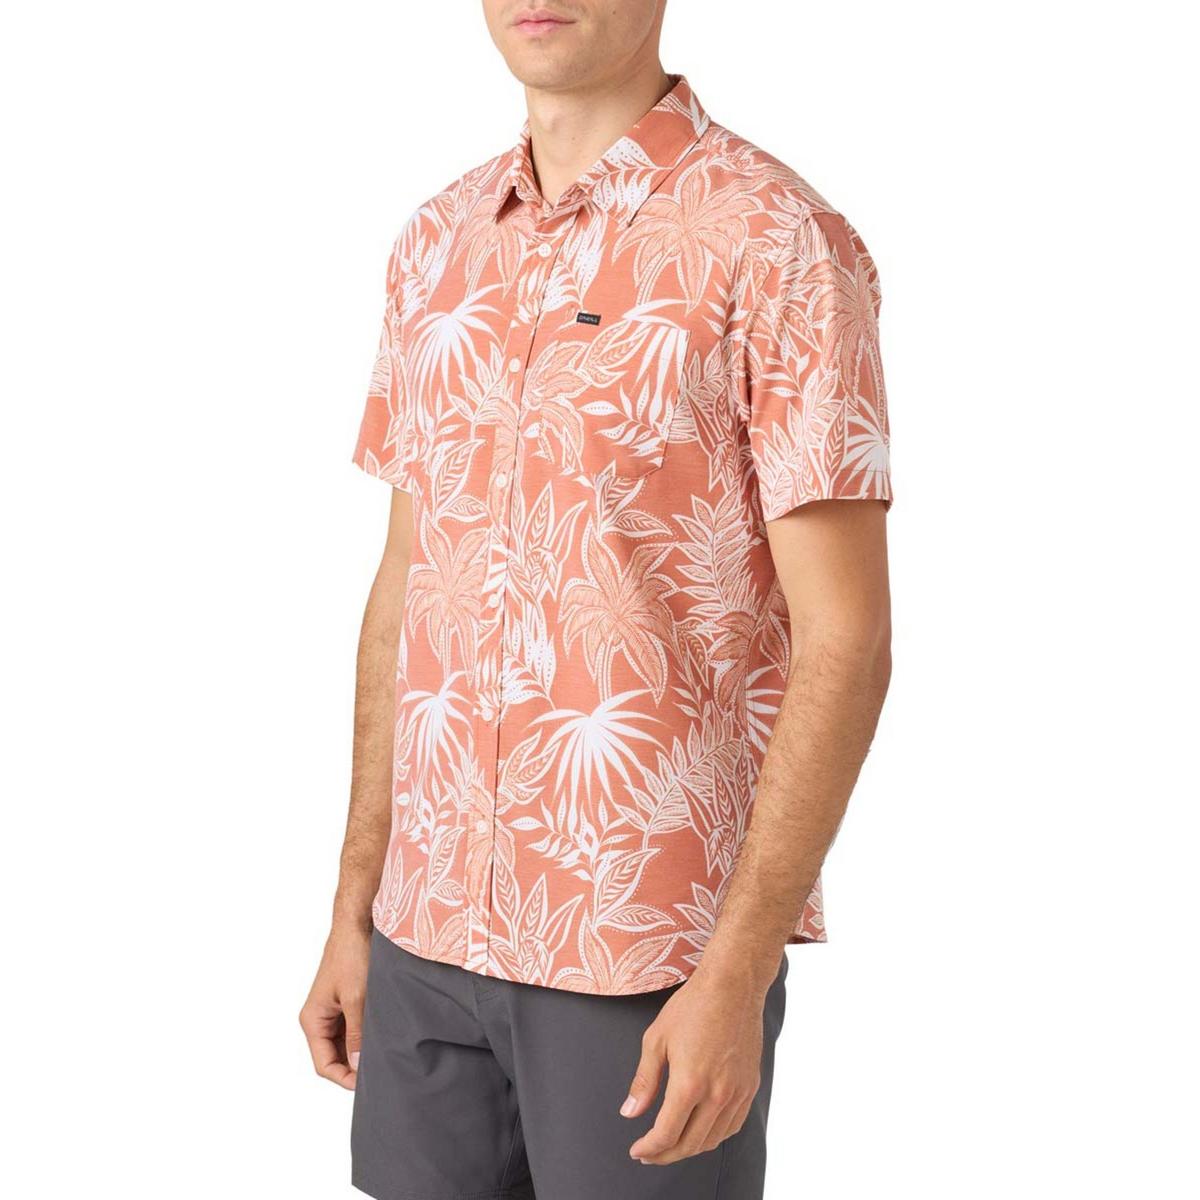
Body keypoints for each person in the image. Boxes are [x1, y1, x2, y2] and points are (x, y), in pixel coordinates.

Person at [300, 3, 893, 1196]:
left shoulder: (775, 238)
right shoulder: (437, 243)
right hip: (423, 938)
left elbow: (848, 636)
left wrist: (736, 973)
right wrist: (354, 908)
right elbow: (409, 580)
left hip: (644, 958)